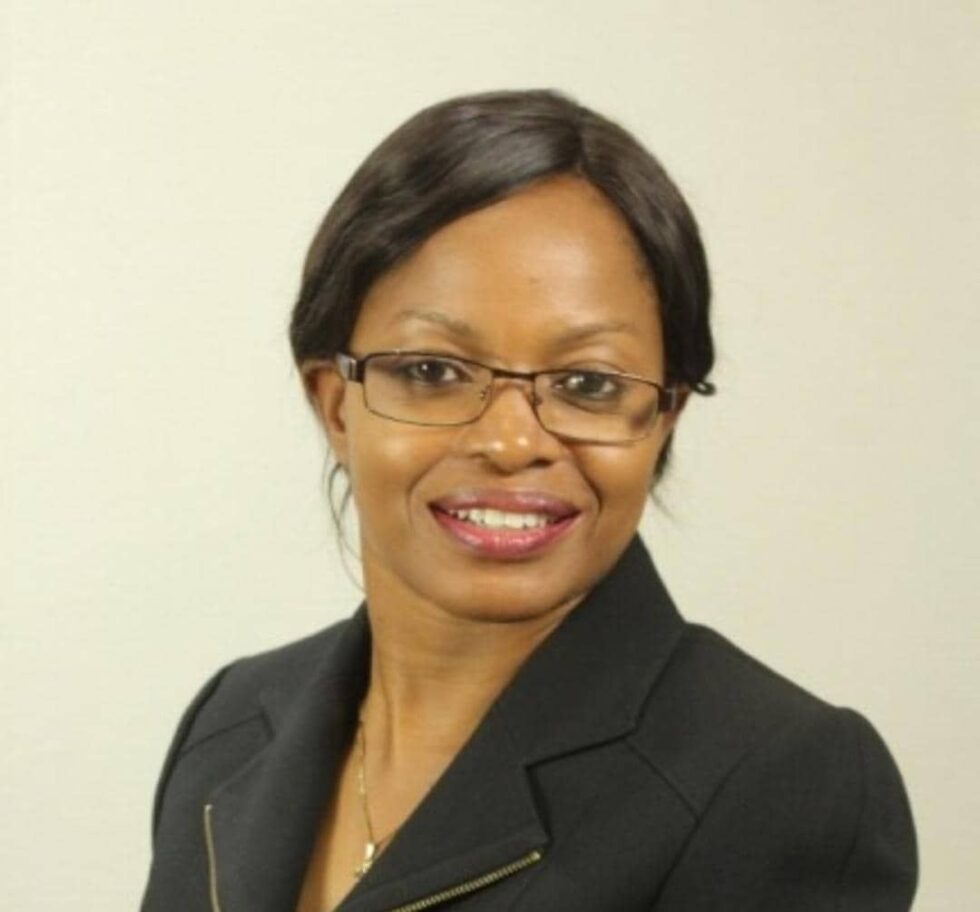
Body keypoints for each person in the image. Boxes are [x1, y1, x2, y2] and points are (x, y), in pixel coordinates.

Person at [141, 89, 917, 912]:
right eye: (434, 371)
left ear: (662, 418)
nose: (513, 443)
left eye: (589, 383)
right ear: (336, 405)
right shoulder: (232, 724)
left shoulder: (782, 783)